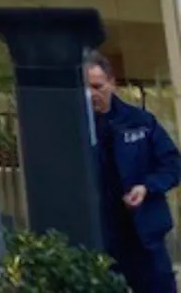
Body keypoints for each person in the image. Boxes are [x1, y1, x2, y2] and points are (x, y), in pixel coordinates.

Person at [88, 51, 181, 293]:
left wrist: (146, 187)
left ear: (112, 83)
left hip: (145, 235)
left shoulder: (140, 121)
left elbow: (172, 165)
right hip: (101, 238)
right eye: (87, 88)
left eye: (98, 86)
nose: (92, 94)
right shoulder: (75, 127)